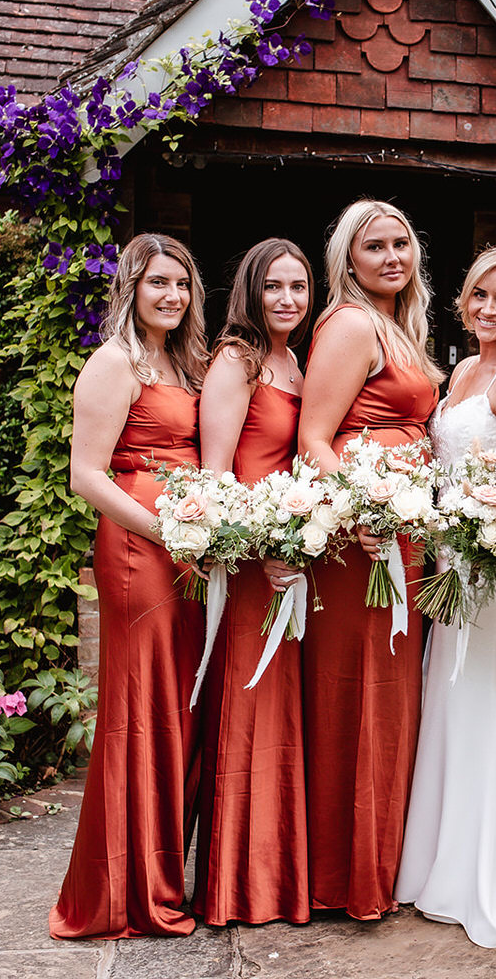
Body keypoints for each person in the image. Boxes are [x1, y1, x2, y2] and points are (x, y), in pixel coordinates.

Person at [50, 233, 209, 939]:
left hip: (186, 547)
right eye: (158, 284)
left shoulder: (179, 360)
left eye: (181, 283)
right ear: (131, 289)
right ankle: (126, 892)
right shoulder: (114, 363)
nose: (172, 295)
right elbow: (86, 475)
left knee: (177, 710)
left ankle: (164, 872)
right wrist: (162, 531)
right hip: (139, 550)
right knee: (141, 712)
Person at [395, 244, 496, 947]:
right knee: (448, 694)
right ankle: (442, 861)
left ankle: (491, 874)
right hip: (452, 555)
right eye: (481, 294)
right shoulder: (462, 369)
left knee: (483, 693)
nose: (490, 309)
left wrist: (475, 539)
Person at [296, 200, 442, 919]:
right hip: (366, 542)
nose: (392, 257)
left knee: (390, 695)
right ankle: (341, 873)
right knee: (358, 695)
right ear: (348, 262)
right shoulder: (352, 324)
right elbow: (315, 437)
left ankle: (374, 864)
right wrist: (360, 513)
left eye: (402, 243)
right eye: (375, 247)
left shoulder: (399, 327)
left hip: (404, 536)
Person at [192, 238, 312, 926]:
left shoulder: (294, 361)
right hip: (249, 566)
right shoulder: (235, 360)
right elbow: (216, 475)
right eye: (275, 287)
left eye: (298, 286)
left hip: (293, 558)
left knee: (281, 715)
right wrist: (259, 550)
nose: (288, 299)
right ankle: (237, 886)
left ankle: (276, 880)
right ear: (250, 291)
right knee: (249, 709)